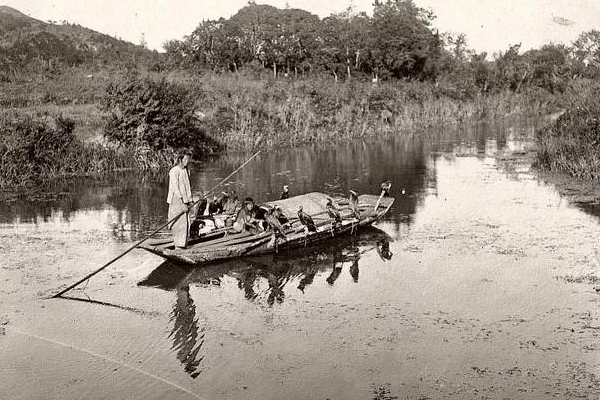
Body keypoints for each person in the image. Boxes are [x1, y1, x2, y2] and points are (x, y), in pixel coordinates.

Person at [167, 151, 193, 249]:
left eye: (187, 160)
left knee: (186, 223)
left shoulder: (185, 171)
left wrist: (190, 200)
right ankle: (178, 245)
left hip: (185, 200)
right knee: (178, 223)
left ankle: (183, 244)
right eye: (185, 159)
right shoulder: (174, 171)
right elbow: (175, 189)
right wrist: (182, 203)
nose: (187, 162)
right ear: (180, 160)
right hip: (176, 200)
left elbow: (187, 187)